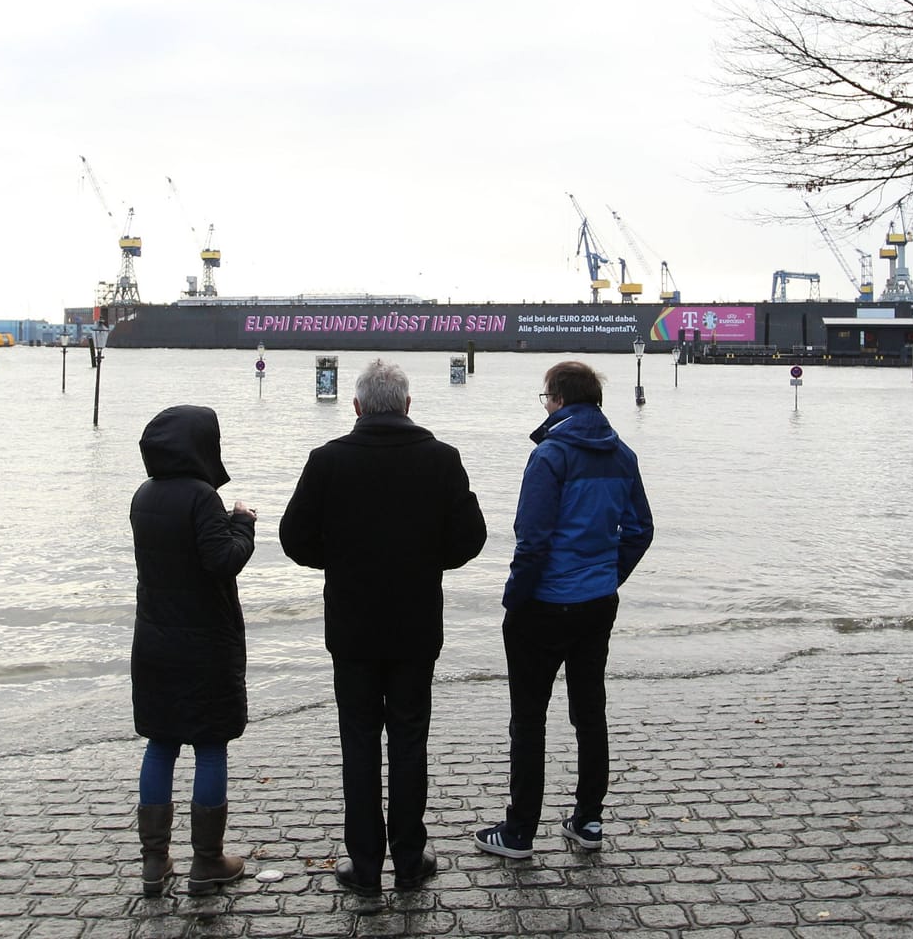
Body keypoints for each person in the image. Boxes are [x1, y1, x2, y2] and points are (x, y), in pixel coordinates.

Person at [279, 359, 487, 896]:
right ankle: (411, 858)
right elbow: (471, 537)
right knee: (410, 738)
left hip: (351, 625)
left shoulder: (326, 461)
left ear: (356, 406)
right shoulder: (442, 459)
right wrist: (425, 560)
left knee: (359, 741)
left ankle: (366, 864)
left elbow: (293, 538)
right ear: (408, 405)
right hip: (416, 623)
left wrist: (341, 560)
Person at [474, 360, 652, 859]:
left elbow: (532, 539)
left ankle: (519, 832)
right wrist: (609, 576)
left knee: (528, 720)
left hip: (544, 606)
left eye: (544, 397)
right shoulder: (623, 455)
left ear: (556, 399)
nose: (545, 404)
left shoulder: (550, 456)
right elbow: (640, 530)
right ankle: (588, 820)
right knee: (589, 712)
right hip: (597, 603)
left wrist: (515, 597)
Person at [128, 405, 257, 897]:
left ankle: (154, 863)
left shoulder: (143, 497)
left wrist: (219, 523)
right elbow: (221, 561)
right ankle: (207, 862)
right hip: (204, 647)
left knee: (160, 744)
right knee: (209, 746)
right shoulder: (203, 498)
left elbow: (178, 553)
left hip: (154, 644)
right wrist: (242, 523)